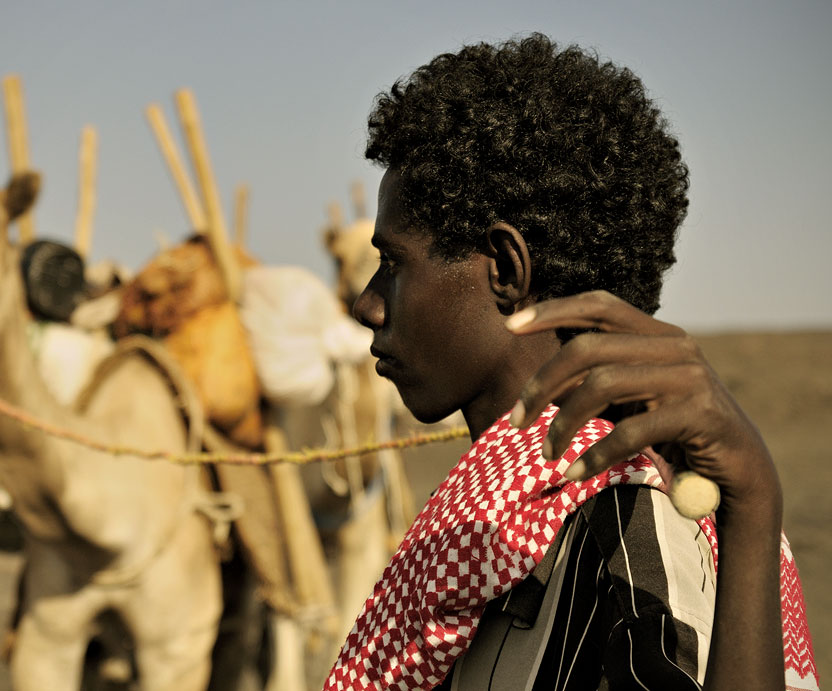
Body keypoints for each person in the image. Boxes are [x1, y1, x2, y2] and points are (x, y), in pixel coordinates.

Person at [324, 34, 819, 690]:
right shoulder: (503, 516)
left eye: (392, 264)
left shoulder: (626, 521)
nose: (366, 305)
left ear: (504, 268)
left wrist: (755, 503)